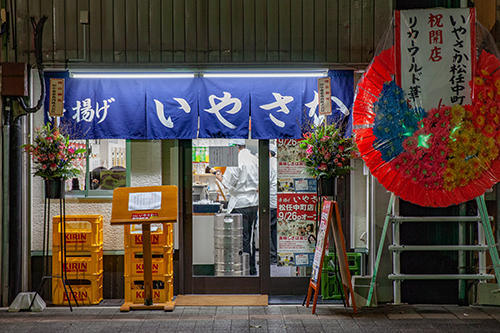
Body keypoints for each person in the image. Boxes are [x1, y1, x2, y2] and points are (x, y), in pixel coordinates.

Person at [216, 139, 259, 275]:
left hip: (239, 204)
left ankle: (242, 269)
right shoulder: (255, 159)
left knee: (240, 239)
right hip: (253, 203)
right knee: (250, 237)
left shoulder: (236, 160)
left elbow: (228, 183)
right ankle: (251, 268)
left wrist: (219, 177)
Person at [269, 143, 278, 265]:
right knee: (275, 230)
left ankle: (271, 256)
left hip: (269, 202)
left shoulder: (269, 164)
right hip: (278, 202)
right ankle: (275, 255)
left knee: (266, 230)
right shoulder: (277, 163)